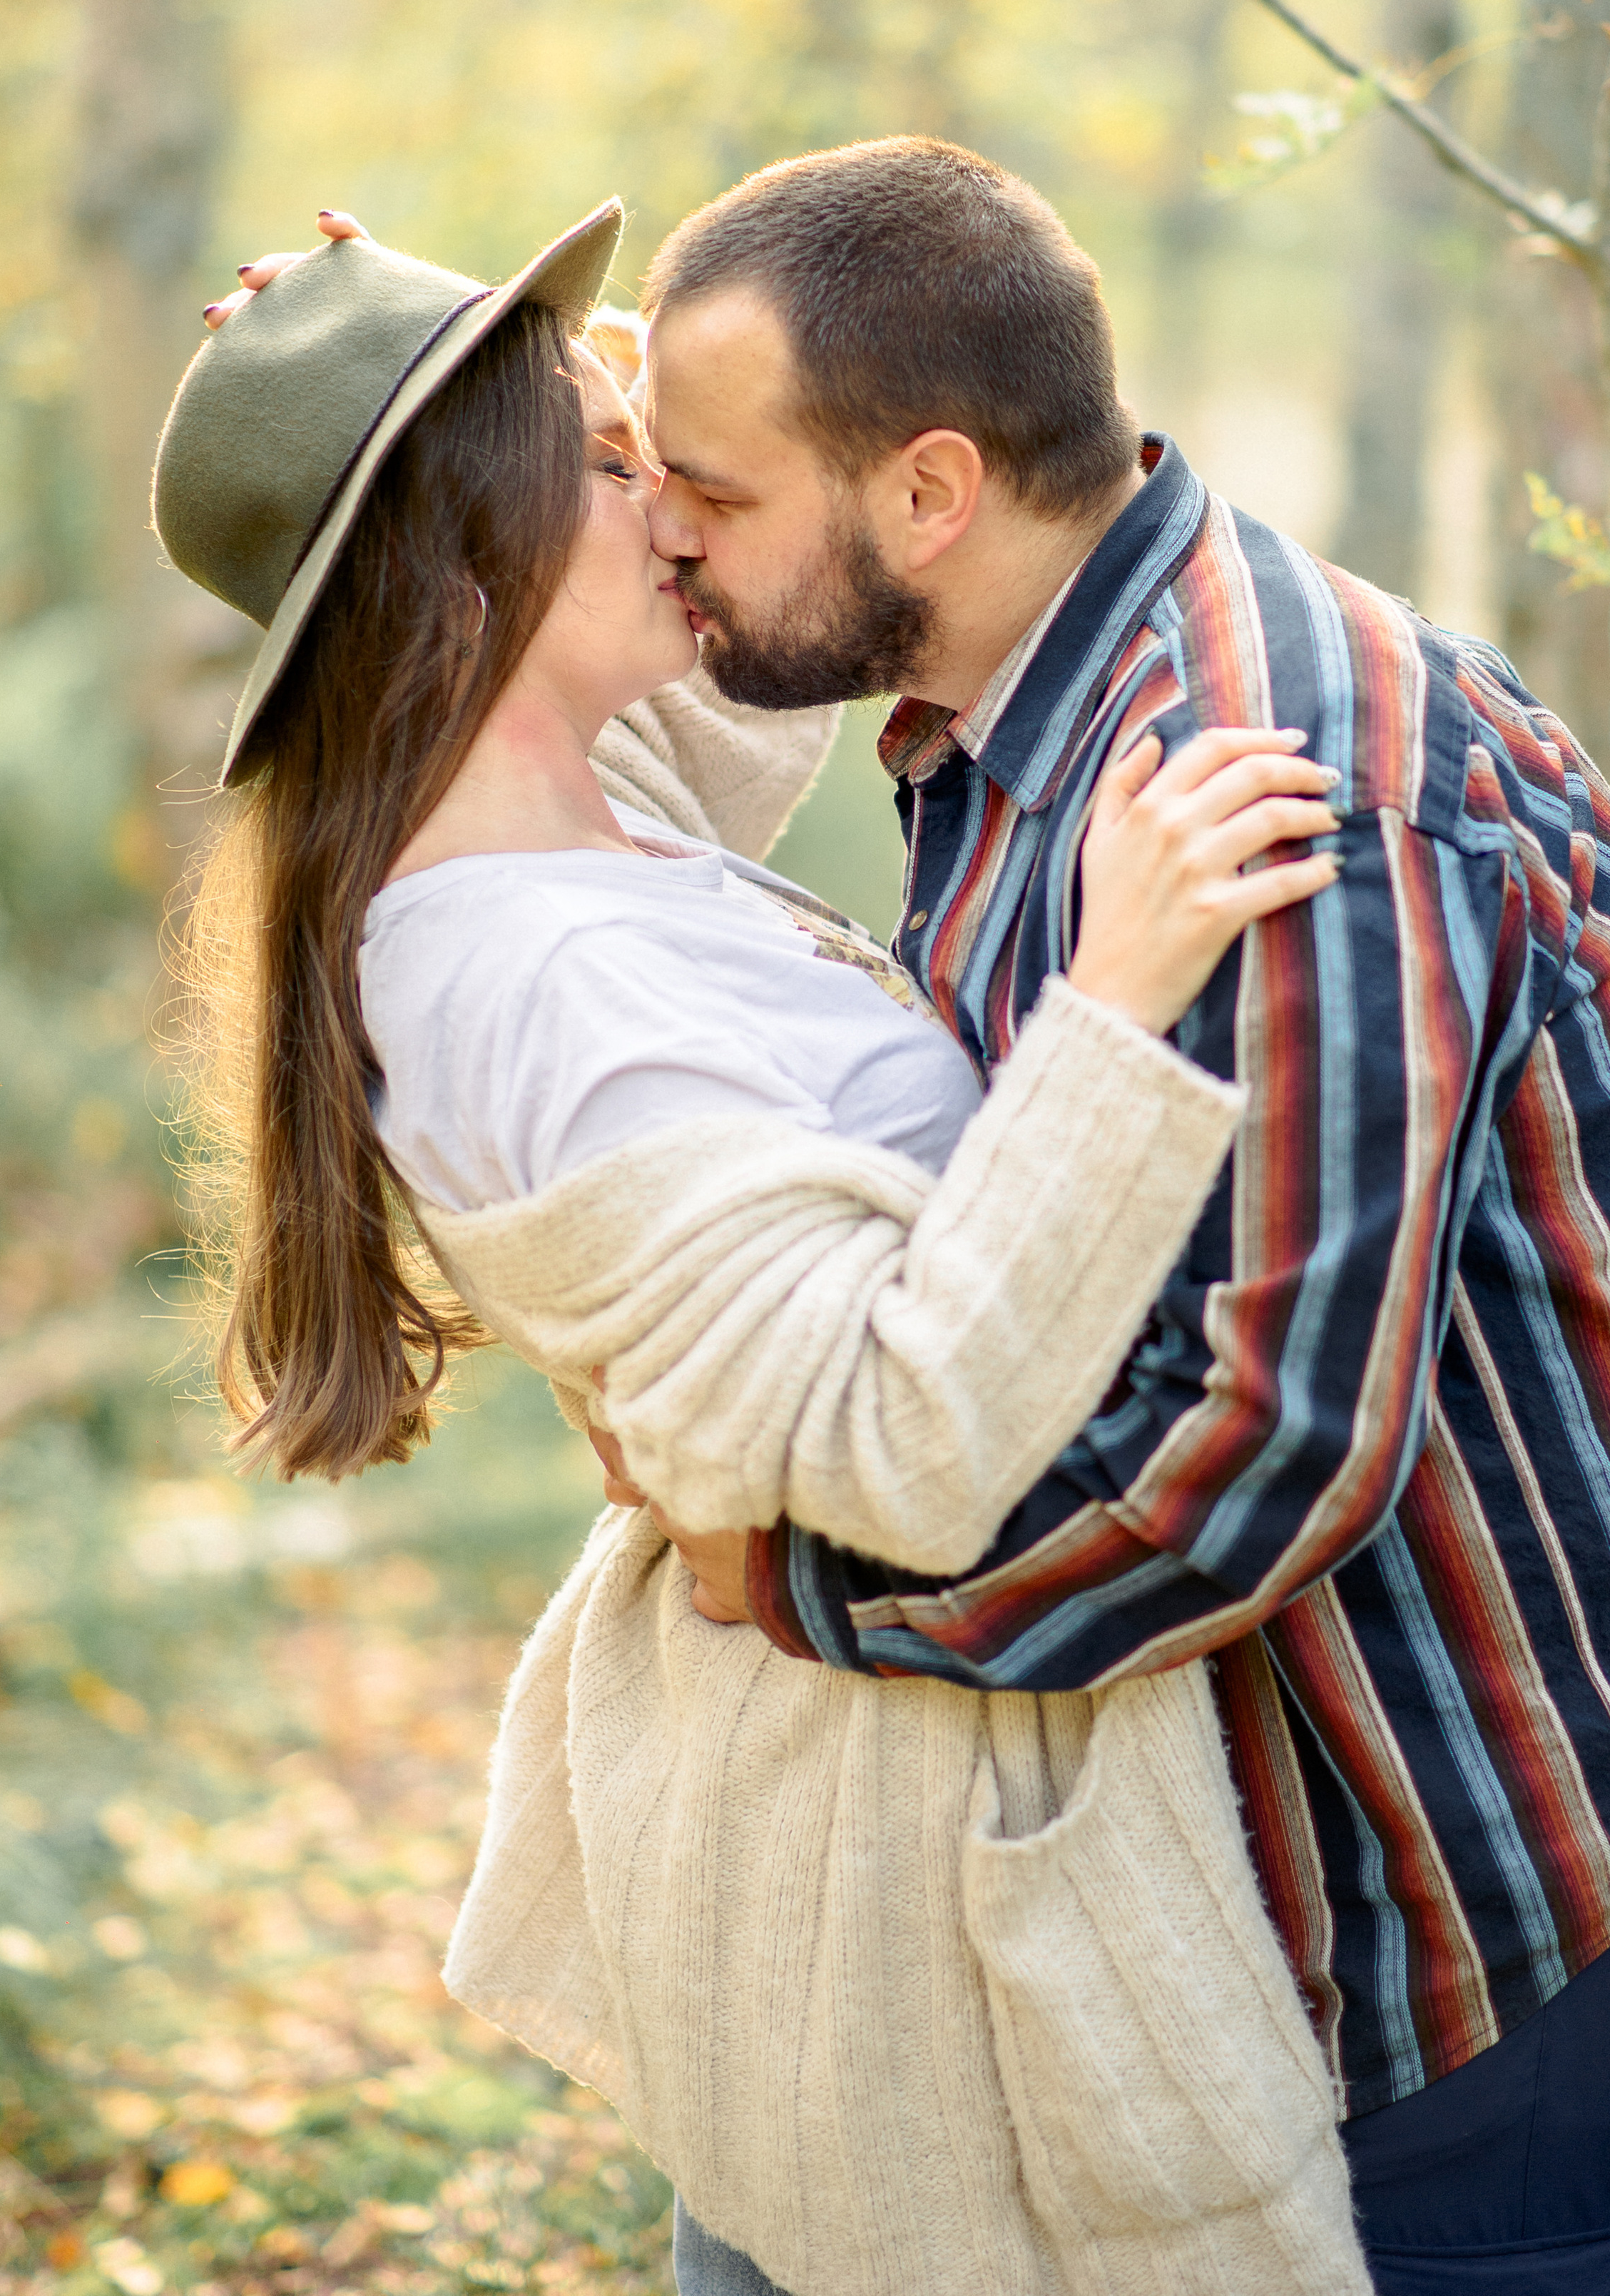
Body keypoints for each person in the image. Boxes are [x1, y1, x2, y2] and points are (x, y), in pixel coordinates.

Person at [546, 131, 1610, 2296]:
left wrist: (787, 1579)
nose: (672, 539)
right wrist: (404, 374)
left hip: (1479, 1915)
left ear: (930, 490)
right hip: (1239, 1895)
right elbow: (553, 764)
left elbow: (1247, 1456)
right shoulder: (1002, 705)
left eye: (713, 496)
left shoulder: (1281, 780)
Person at [162, 207, 1370, 2295]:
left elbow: (739, 659)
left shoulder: (555, 802)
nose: (683, 505)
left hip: (852, 1805)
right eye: (625, 465)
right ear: (467, 575)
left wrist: (508, 361)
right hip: (883, 1881)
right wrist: (1119, 989)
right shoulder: (531, 976)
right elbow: (900, 1443)